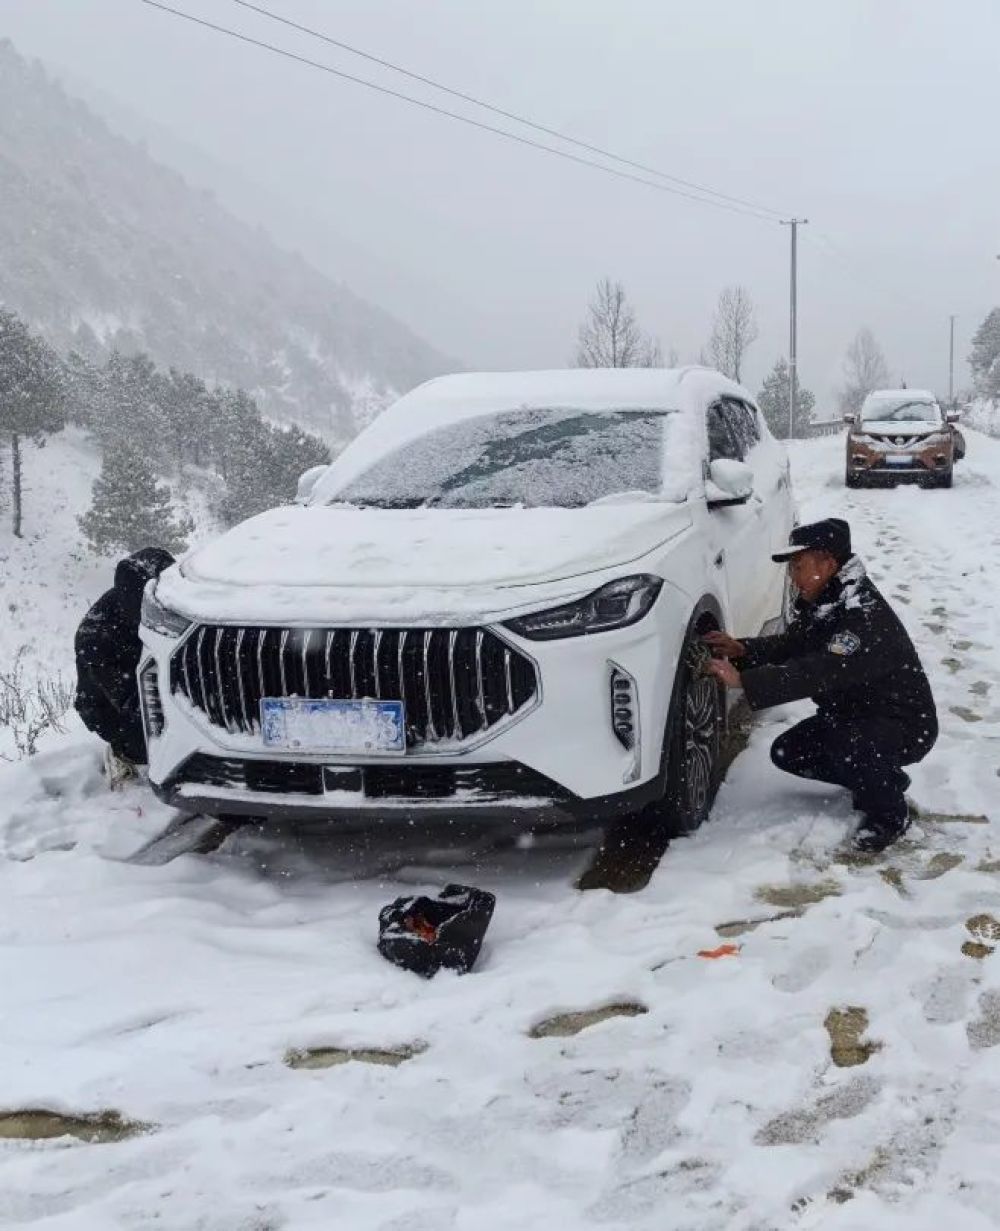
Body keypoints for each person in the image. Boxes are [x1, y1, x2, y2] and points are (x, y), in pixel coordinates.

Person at [703, 518, 937, 853]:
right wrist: (743, 650)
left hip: (902, 724)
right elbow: (796, 644)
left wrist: (744, 681)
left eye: (798, 566)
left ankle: (889, 814)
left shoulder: (863, 616)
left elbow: (818, 671)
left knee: (858, 748)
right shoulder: (832, 600)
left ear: (828, 563)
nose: (793, 577)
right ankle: (878, 779)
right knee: (789, 752)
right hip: (855, 716)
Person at [75, 547, 176, 785]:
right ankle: (123, 755)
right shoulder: (98, 634)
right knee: (145, 734)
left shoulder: (161, 603)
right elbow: (126, 698)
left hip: (139, 675)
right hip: (107, 705)